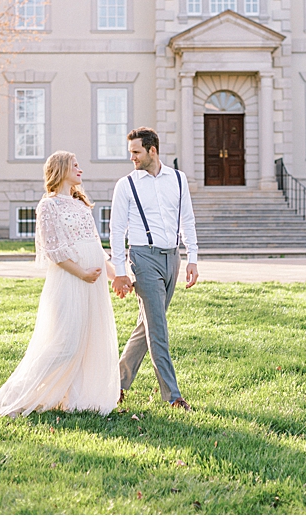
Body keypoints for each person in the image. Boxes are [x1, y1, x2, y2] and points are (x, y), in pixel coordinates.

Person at [0, 152, 121, 417]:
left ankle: (75, 400)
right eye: (75, 165)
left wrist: (116, 276)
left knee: (87, 343)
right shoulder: (48, 206)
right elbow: (53, 250)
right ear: (61, 169)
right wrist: (81, 272)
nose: (80, 169)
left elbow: (96, 245)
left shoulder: (81, 204)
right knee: (66, 343)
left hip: (92, 284)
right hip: (71, 280)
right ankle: (17, 396)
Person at [109, 126, 199, 411]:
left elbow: (188, 220)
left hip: (172, 258)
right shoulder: (126, 184)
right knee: (158, 329)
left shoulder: (179, 179)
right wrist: (121, 270)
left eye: (136, 152)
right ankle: (173, 396)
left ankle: (115, 384)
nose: (132, 158)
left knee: (146, 325)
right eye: (130, 153)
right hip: (143, 260)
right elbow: (115, 230)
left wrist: (192, 258)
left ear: (152, 150)